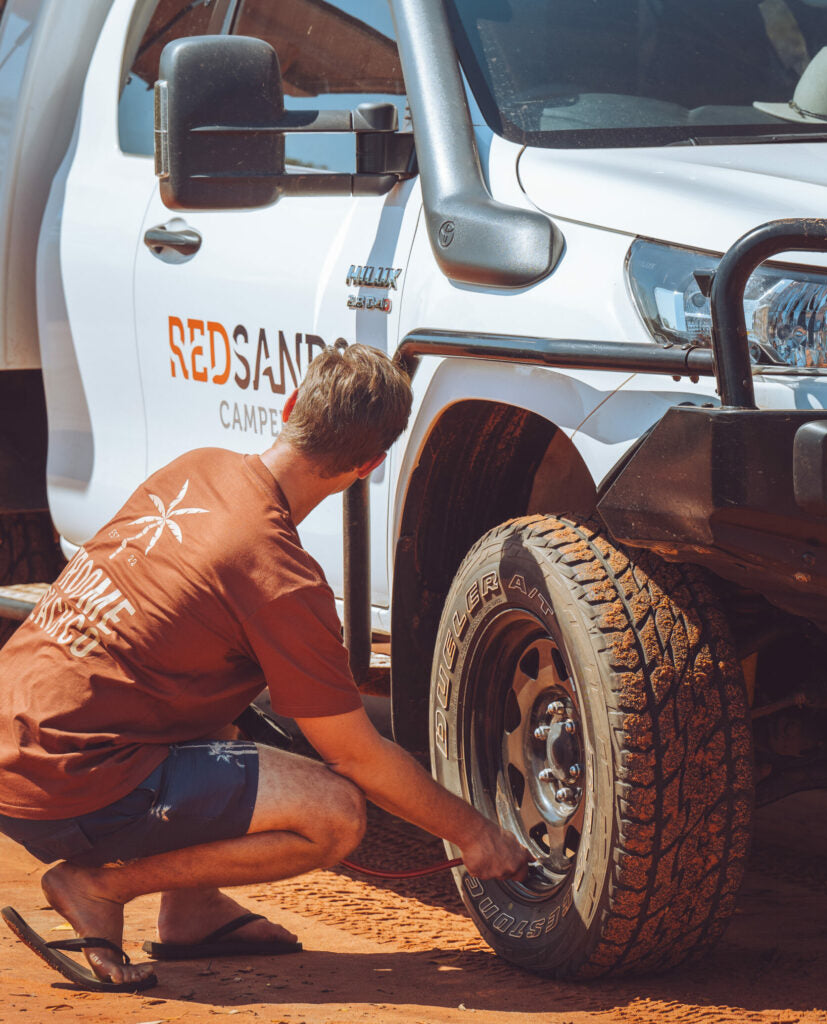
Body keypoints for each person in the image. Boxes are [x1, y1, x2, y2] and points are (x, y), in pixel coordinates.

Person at [0, 343, 529, 992]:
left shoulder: (197, 467)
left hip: (17, 727)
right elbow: (357, 757)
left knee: (226, 712)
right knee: (334, 813)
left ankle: (193, 912)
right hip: (63, 780)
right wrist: (475, 834)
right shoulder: (279, 576)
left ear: (290, 407)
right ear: (370, 464)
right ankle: (99, 886)